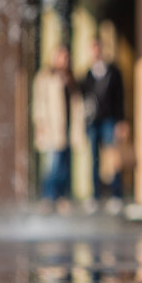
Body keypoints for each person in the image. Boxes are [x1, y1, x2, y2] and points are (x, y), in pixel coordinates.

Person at [81, 37, 125, 210]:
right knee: (94, 159)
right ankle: (95, 196)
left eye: (97, 48)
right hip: (93, 122)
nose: (96, 52)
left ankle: (116, 194)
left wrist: (121, 121)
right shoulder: (86, 75)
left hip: (110, 120)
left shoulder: (113, 72)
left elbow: (120, 98)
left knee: (113, 158)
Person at [32, 44, 74, 211]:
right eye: (62, 56)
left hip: (67, 127)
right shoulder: (45, 76)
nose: (65, 60)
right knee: (52, 164)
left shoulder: (69, 78)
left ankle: (61, 197)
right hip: (51, 127)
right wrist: (41, 123)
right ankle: (48, 197)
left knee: (64, 164)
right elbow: (39, 102)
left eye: (67, 57)